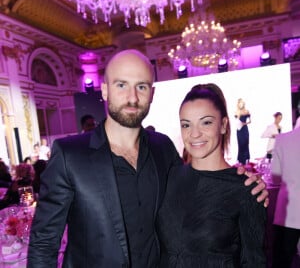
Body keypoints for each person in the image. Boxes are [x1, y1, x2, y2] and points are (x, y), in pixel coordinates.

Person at [27, 49, 268, 268]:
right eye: (122, 85)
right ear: (104, 89)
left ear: (151, 93)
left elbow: (198, 184)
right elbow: (44, 243)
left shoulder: (162, 148)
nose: (132, 97)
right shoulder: (70, 155)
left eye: (141, 86)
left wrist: (245, 183)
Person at [157, 83, 267, 267]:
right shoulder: (170, 177)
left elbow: (254, 262)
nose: (194, 134)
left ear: (223, 125)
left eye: (206, 122)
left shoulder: (246, 188)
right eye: (186, 125)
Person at [271, 127, 300, 268]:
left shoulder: (283, 139)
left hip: (289, 212)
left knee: (282, 261)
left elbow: (275, 177)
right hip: (288, 213)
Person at [234, 98, 251, 164]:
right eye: (239, 103)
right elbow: (236, 121)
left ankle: (246, 158)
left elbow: (250, 121)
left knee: (246, 143)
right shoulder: (237, 111)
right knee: (240, 144)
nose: (240, 104)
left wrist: (244, 123)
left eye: (241, 102)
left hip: (245, 129)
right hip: (239, 130)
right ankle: (240, 159)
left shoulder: (247, 111)